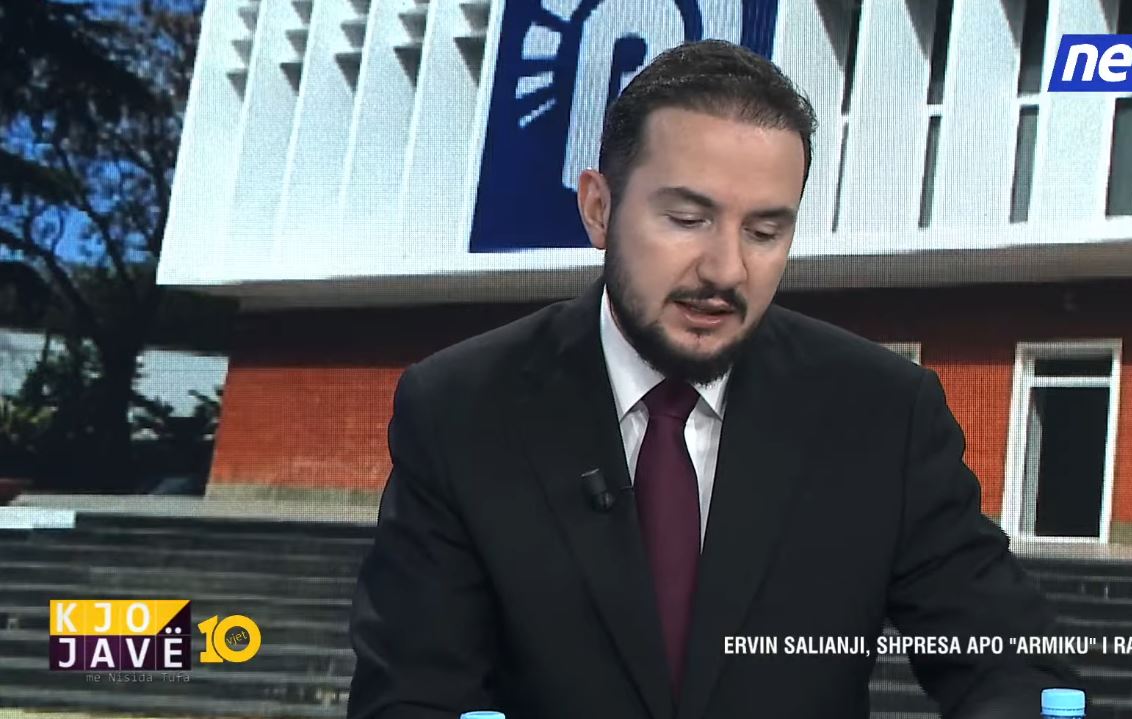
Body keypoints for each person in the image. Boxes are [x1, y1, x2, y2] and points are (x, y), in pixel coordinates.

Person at [348, 39, 1079, 719]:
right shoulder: (461, 409)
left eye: (764, 232)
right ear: (598, 208)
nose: (726, 270)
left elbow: (1010, 661)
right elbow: (412, 695)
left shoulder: (883, 412)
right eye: (687, 218)